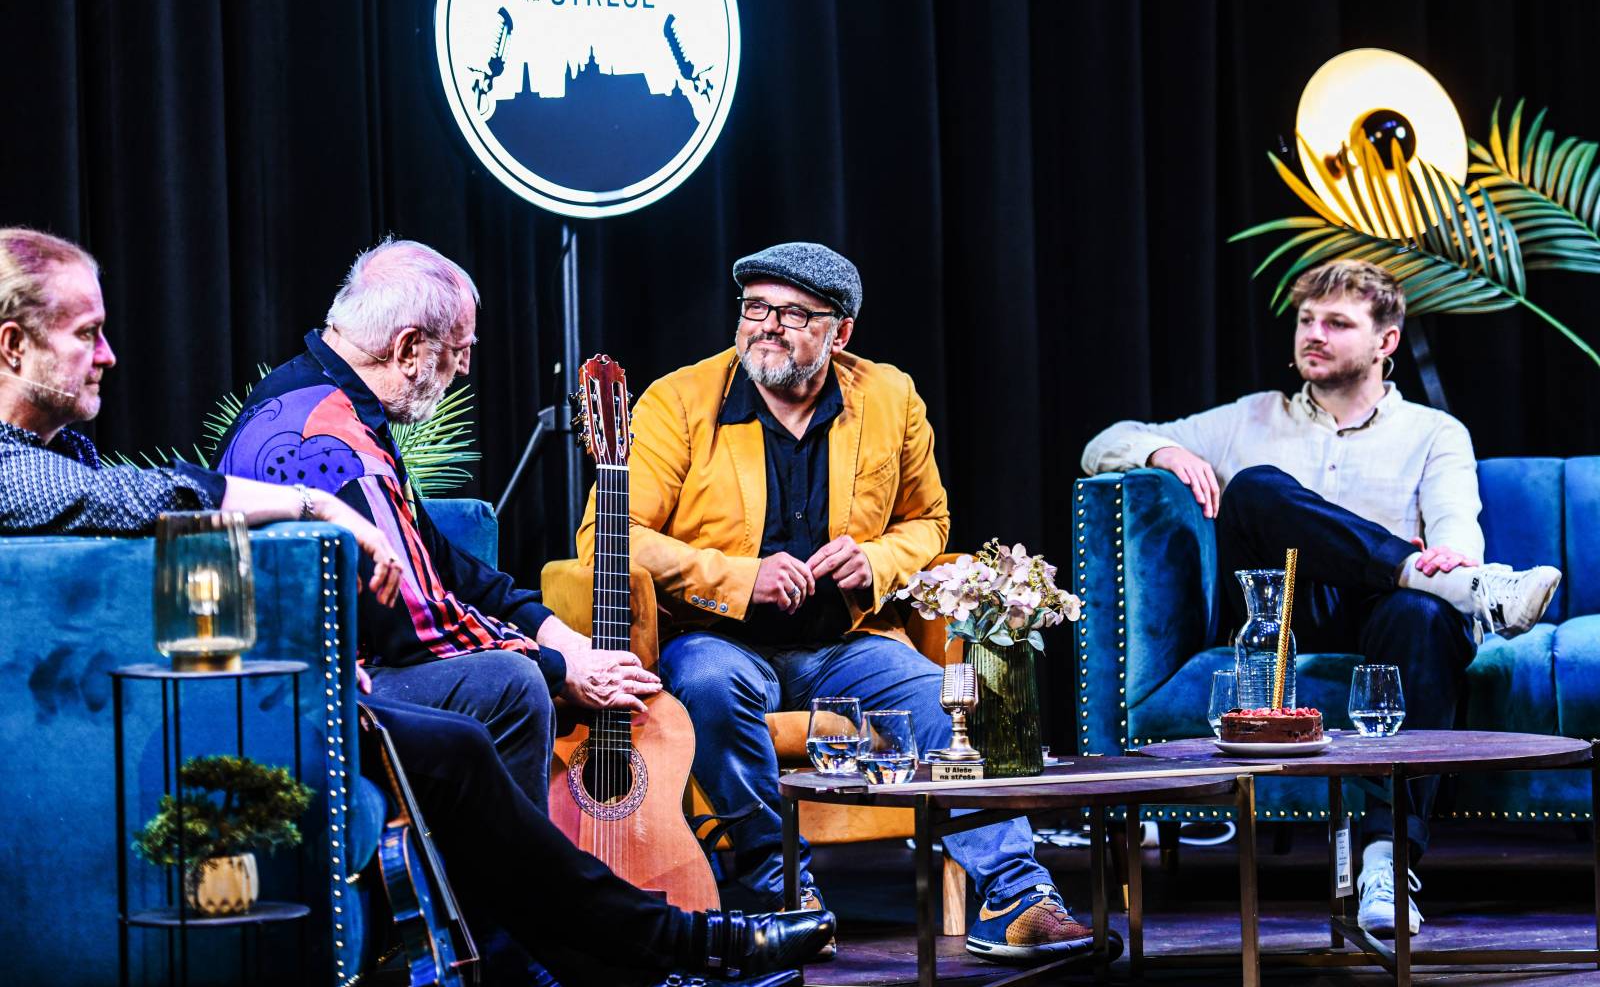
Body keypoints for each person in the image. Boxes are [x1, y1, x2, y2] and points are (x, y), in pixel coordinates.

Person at [0, 226, 834, 987]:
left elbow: (435, 557)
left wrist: (555, 633)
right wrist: (547, 661)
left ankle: (637, 951)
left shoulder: (341, 412)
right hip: (273, 696)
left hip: (272, 690)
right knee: (501, 692)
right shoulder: (311, 441)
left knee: (476, 728)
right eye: (86, 333)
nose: (109, 354)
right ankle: (637, 948)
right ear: (11, 345)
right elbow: (404, 616)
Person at [579, 241, 1110, 965]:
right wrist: (740, 576)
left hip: (847, 645)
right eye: (755, 308)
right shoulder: (679, 402)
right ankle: (781, 887)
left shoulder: (890, 397)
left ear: (841, 331)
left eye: (794, 313)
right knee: (707, 681)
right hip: (719, 640)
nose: (766, 325)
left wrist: (876, 560)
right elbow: (607, 537)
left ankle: (1017, 896)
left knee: (939, 695)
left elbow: (930, 521)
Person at [1082, 257, 1562, 938]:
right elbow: (1104, 442)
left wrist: (1461, 558)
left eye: (1337, 322)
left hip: (1387, 624)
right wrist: (1162, 453)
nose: (1314, 333)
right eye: (1307, 320)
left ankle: (1383, 860)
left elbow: (1455, 520)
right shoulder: (1252, 418)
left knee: (1423, 612)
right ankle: (1463, 592)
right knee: (1255, 488)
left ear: (1385, 342)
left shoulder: (1432, 432)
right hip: (1283, 615)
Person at [218, 239, 658, 806]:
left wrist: (564, 638)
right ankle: (509, 892)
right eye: (458, 350)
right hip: (303, 691)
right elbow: (418, 624)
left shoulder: (311, 390)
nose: (466, 367)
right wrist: (559, 670)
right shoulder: (338, 446)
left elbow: (440, 560)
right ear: (407, 348)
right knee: (512, 685)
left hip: (335, 669)